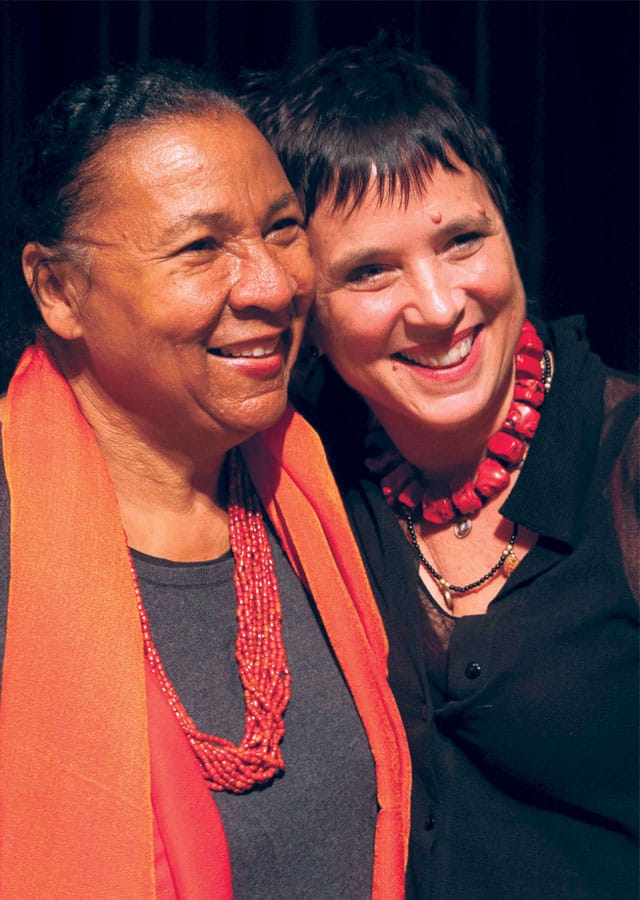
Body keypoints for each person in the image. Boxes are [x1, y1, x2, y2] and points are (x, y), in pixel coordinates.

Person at [0, 63, 412, 898]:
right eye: (200, 247)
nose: (272, 284)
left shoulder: (321, 498)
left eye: (284, 229)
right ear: (58, 289)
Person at [243, 44, 639, 899]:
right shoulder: (301, 473)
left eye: (462, 241)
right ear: (305, 310)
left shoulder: (626, 460)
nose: (437, 306)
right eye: (371, 271)